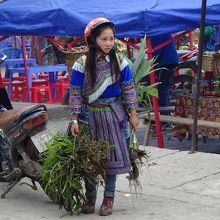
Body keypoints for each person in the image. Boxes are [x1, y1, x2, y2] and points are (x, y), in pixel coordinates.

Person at [69, 17, 139, 216]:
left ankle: (108, 199)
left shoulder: (120, 61)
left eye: (111, 39)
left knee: (111, 158)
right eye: (103, 39)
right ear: (93, 40)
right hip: (88, 116)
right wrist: (74, 119)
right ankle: (90, 198)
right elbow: (75, 91)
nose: (108, 43)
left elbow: (128, 88)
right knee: (89, 158)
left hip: (113, 115)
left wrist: (133, 114)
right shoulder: (81, 63)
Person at [151, 34, 179, 114]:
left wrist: (152, 62)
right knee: (164, 89)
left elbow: (156, 50)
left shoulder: (156, 32)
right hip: (170, 61)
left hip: (167, 62)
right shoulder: (160, 29)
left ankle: (165, 117)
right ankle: (166, 114)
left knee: (162, 90)